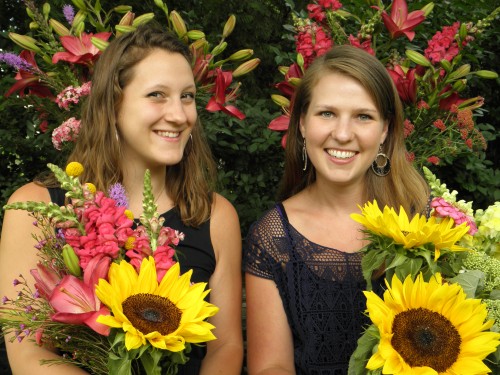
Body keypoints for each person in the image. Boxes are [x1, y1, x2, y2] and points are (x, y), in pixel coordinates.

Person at [0, 23, 243, 374]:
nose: (178, 115)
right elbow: (30, 356)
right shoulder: (37, 209)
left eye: (187, 96)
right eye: (157, 95)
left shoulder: (214, 215)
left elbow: (227, 346)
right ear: (113, 104)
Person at [243, 45, 430, 374]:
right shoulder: (272, 238)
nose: (343, 134)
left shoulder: (424, 222)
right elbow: (270, 366)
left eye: (363, 116)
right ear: (302, 123)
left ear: (385, 130)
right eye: (327, 113)